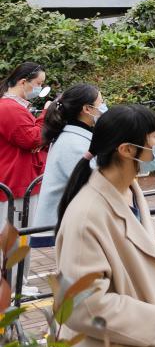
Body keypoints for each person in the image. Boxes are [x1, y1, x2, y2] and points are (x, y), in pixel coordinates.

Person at [54, 104, 155, 347]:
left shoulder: (130, 190)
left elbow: (148, 258)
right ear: (127, 150)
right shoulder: (86, 215)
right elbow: (83, 305)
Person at [29, 84, 105, 248]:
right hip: (73, 225)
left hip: (75, 221)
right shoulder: (73, 143)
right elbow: (94, 182)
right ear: (87, 109)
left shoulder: (74, 135)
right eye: (101, 102)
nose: (104, 107)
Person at [0, 62, 48, 228]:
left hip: (19, 180)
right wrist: (47, 114)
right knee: (15, 234)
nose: (40, 88)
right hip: (15, 182)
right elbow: (32, 139)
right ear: (23, 82)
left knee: (18, 233)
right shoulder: (9, 108)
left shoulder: (15, 107)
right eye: (39, 83)